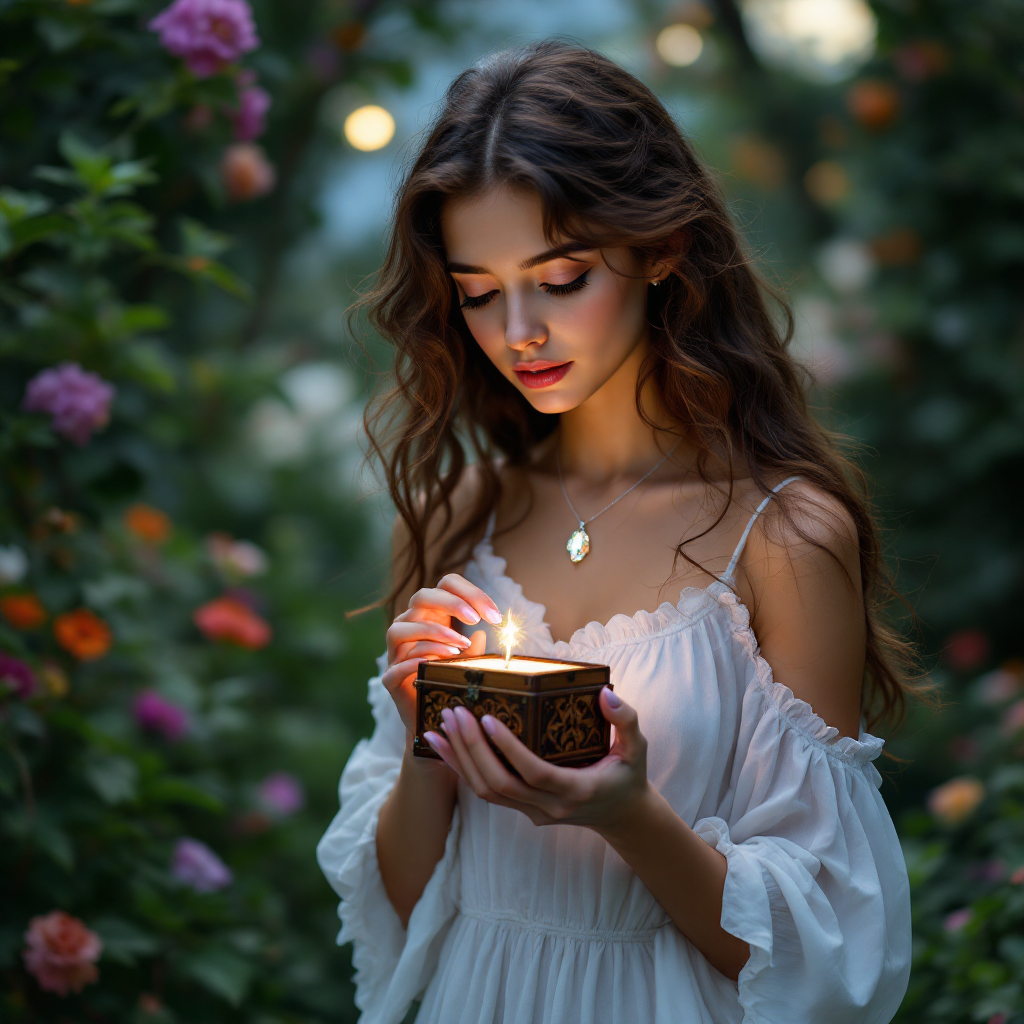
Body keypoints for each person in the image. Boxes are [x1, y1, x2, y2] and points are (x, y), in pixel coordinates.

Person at [317, 40, 914, 1024]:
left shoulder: (782, 535)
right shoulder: (459, 513)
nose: (517, 331)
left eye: (559, 278)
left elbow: (832, 951)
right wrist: (430, 738)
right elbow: (402, 905)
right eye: (476, 291)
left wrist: (626, 813)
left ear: (661, 248)